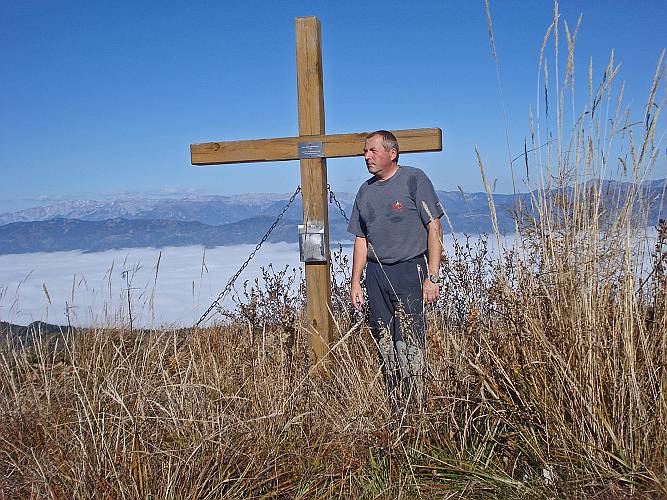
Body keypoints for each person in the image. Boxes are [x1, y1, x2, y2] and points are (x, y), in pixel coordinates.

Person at [347, 130, 443, 410]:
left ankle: (417, 402)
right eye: (365, 151)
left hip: (409, 269)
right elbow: (361, 239)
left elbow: (434, 228)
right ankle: (396, 401)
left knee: (410, 339)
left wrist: (432, 276)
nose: (367, 157)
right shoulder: (365, 191)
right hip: (376, 274)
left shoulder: (414, 179)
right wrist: (356, 283)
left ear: (392, 153)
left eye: (373, 151)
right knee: (385, 338)